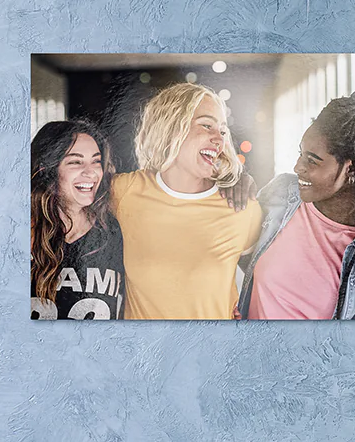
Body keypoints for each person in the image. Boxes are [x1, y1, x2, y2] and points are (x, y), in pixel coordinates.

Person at [111, 83, 262, 319]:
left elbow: (263, 281)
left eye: (222, 131)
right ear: (170, 128)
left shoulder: (242, 207)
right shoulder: (124, 192)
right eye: (206, 125)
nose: (219, 140)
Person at [237, 92, 355, 320]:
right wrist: (236, 186)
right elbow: (241, 253)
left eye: (312, 160)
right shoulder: (282, 193)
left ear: (351, 169)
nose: (298, 167)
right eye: (300, 154)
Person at [31, 120, 125, 320]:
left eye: (96, 161)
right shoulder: (18, 232)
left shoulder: (115, 231)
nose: (90, 172)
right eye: (75, 161)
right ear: (47, 168)